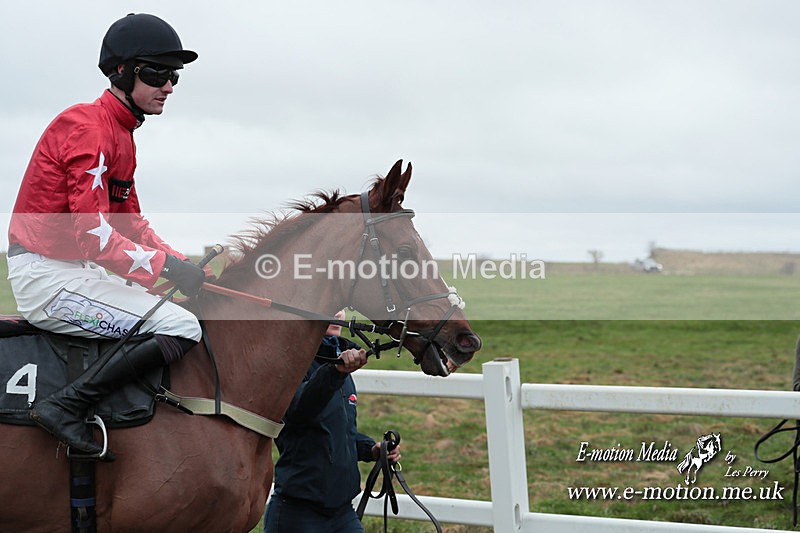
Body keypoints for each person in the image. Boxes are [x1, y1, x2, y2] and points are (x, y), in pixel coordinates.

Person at [5, 13, 205, 456]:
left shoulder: (121, 135)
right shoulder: (86, 127)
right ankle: (64, 408)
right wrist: (166, 268)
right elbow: (94, 237)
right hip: (48, 279)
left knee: (183, 306)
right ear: (123, 73)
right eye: (157, 74)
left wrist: (182, 266)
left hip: (74, 272)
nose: (169, 86)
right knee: (182, 326)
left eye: (174, 76)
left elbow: (132, 225)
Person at [263, 311, 401, 532]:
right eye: (329, 306)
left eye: (340, 306)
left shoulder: (341, 367)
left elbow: (340, 434)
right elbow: (298, 412)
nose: (337, 311)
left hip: (343, 513)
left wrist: (373, 450)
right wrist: (336, 372)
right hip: (299, 515)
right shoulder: (292, 364)